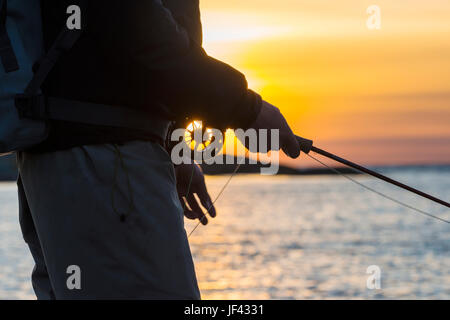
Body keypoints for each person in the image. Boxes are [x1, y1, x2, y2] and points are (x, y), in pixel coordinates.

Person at [17, 0, 300, 299]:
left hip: (78, 167)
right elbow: (132, 20)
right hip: (104, 167)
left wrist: (171, 146)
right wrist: (244, 108)